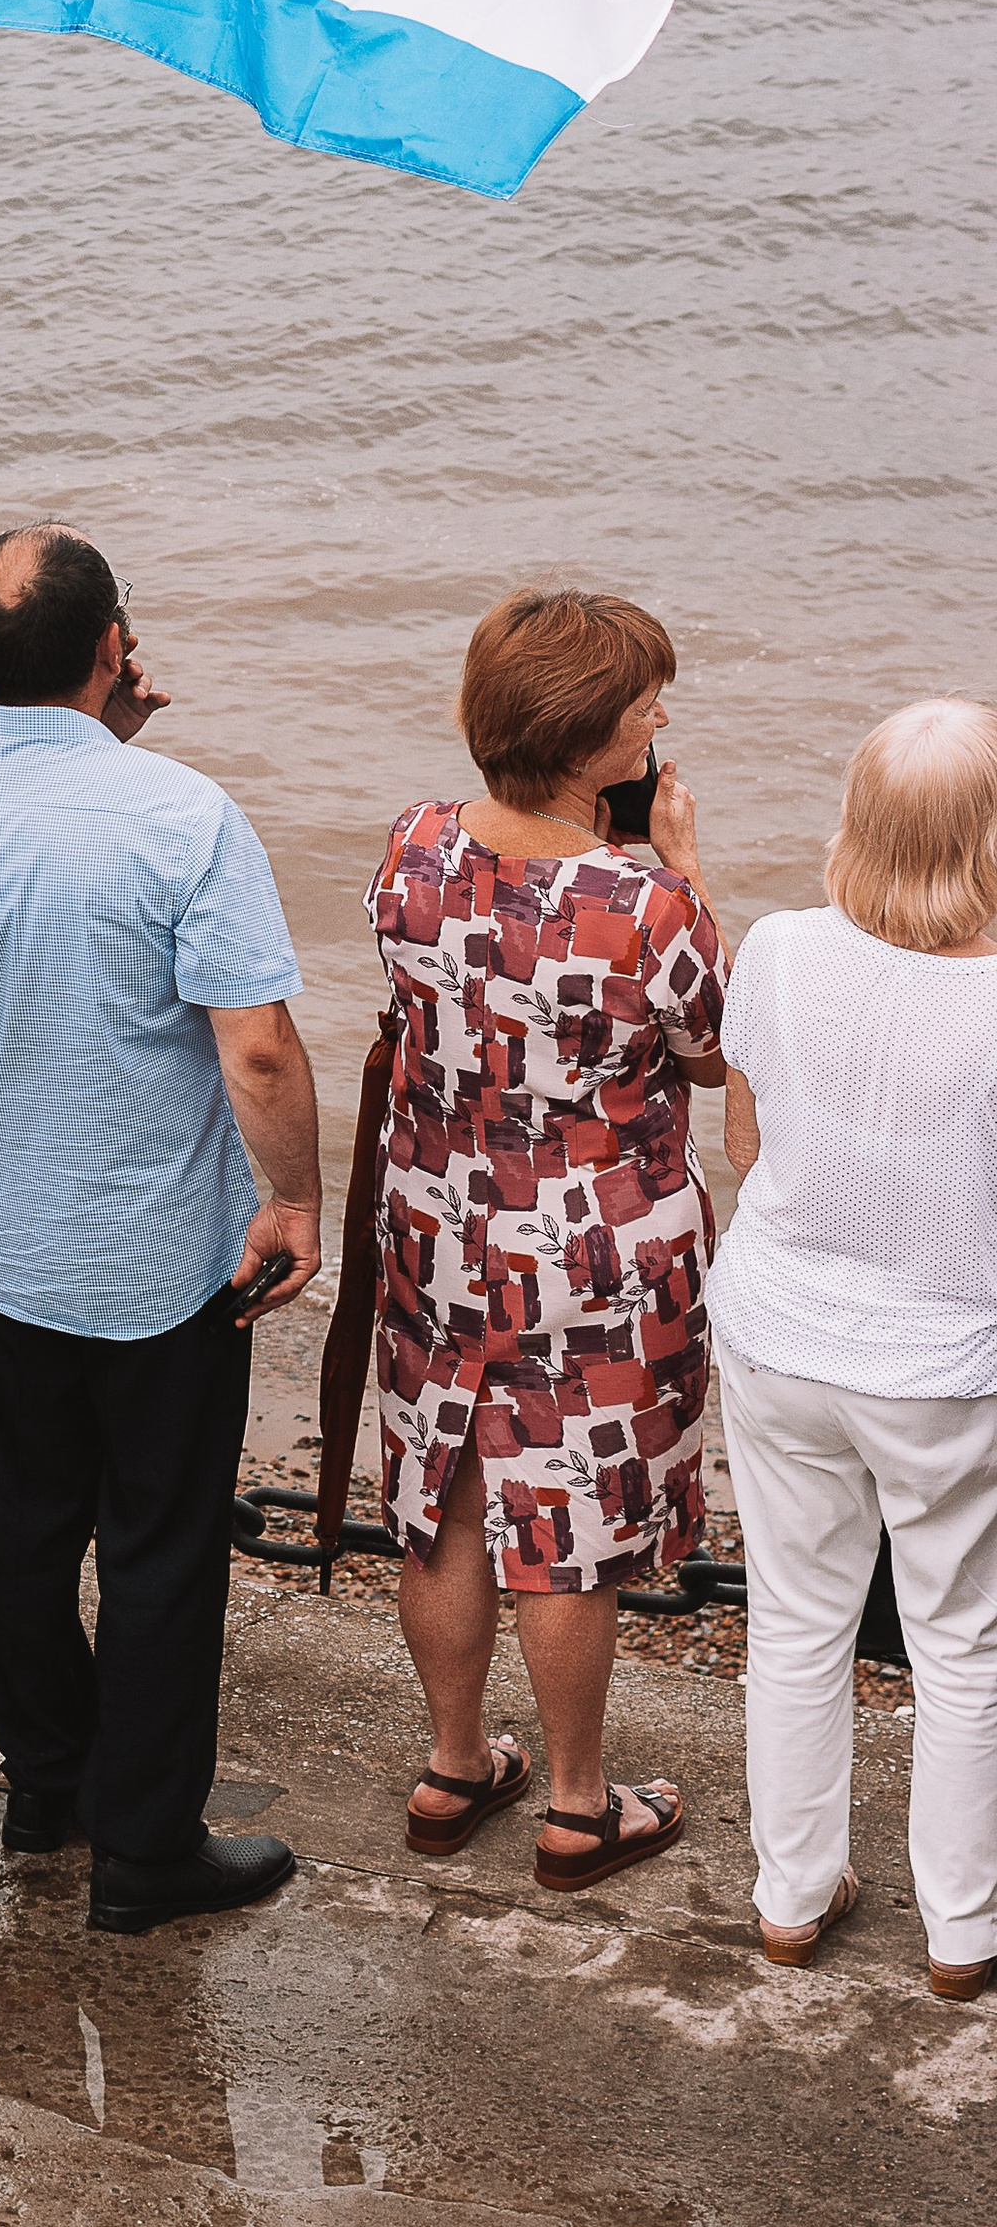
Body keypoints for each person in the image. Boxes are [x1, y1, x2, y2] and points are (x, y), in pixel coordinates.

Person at [0, 527, 316, 1937]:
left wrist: (99, 730)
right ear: (116, 647)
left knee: (27, 1529)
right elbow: (254, 1049)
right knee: (159, 1549)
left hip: (10, 1230)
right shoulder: (184, 816)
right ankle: (143, 1848)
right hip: (152, 1258)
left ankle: (45, 1783)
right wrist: (297, 1201)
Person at [369, 588, 726, 1895]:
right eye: (645, 708)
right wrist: (679, 867)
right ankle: (579, 1805)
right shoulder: (644, 907)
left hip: (441, 1222)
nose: (662, 720)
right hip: (591, 1250)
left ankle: (457, 1762)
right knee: (563, 1519)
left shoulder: (411, 847)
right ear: (592, 747)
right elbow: (713, 1046)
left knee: (447, 1495)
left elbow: (436, 995)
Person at [709, 701, 997, 2000]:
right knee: (960, 1641)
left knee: (799, 1619)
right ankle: (962, 1930)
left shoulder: (771, 952)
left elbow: (747, 1151)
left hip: (778, 1332)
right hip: (943, 1365)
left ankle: (789, 1898)